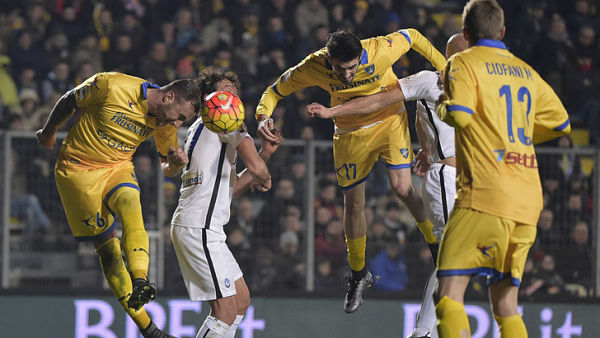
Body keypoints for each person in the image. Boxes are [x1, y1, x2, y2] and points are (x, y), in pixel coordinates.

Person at [256, 28, 446, 313]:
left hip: (389, 121)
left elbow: (415, 36)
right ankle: (358, 274)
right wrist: (262, 117)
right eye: (339, 68)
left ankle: (435, 245)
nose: (346, 75)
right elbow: (274, 91)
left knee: (402, 187)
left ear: (361, 57)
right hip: (349, 132)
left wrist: (444, 68)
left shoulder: (381, 49)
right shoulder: (312, 66)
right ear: (328, 59)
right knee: (353, 204)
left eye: (351, 67)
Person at [307, 32, 469, 338]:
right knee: (454, 257)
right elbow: (379, 100)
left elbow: (440, 122)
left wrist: (426, 147)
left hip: (465, 181)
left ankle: (431, 328)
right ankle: (424, 330)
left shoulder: (471, 87)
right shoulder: (429, 80)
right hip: (446, 180)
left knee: (465, 258)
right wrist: (333, 112)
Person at [434, 1, 571, 336]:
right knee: (506, 304)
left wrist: (442, 107)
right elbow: (562, 123)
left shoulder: (462, 62)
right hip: (526, 202)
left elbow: (461, 115)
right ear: (503, 32)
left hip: (483, 195)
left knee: (448, 294)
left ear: (465, 33)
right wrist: (519, 135)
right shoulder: (526, 71)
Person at [36, 72, 201, 338]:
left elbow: (167, 168)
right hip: (77, 171)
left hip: (118, 167)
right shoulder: (110, 85)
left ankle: (140, 280)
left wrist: (176, 163)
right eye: (180, 116)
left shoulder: (165, 123)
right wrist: (48, 131)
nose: (177, 123)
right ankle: (148, 329)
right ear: (169, 97)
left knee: (131, 206)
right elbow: (69, 100)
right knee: (108, 250)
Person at [170, 67, 283, 338]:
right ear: (208, 96)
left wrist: (264, 154)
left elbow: (231, 189)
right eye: (224, 91)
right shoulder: (224, 119)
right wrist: (264, 173)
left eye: (234, 92)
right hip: (199, 228)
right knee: (225, 312)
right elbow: (257, 171)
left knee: (240, 301)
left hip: (204, 228)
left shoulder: (206, 127)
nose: (230, 96)